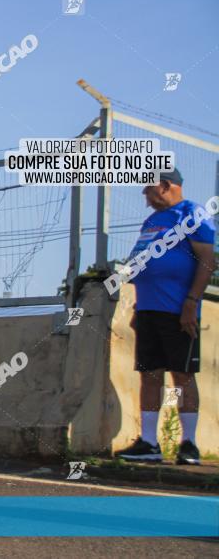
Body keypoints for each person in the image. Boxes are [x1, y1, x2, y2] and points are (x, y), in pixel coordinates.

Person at [116, 168, 215, 465]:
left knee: (182, 376)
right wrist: (136, 308)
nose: (145, 197)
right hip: (148, 309)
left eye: (149, 189)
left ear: (166, 185)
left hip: (178, 310)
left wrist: (191, 302)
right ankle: (149, 443)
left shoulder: (192, 213)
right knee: (149, 374)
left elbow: (208, 261)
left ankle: (189, 444)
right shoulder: (152, 221)